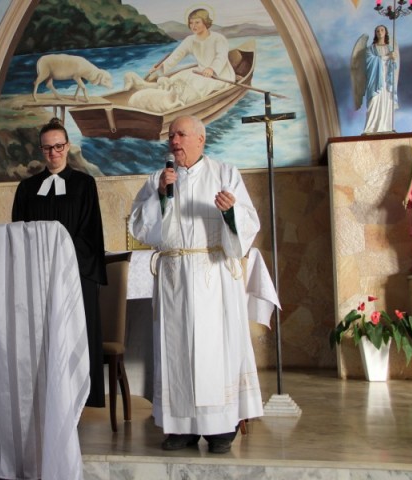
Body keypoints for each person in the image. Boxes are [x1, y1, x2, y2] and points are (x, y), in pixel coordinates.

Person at [128, 115, 264, 454]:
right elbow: (140, 227)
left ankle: (221, 429)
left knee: (213, 352)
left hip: (212, 275)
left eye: (181, 134)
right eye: (171, 135)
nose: (174, 141)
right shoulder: (158, 179)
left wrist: (230, 212)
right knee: (177, 351)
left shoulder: (225, 173)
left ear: (200, 140)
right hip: (174, 277)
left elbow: (248, 223)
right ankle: (182, 428)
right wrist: (161, 196)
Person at [11, 118, 108, 408]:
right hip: (38, 276)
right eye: (47, 148)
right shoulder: (27, 188)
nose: (53, 153)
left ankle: (80, 396)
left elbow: (91, 232)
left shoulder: (84, 184)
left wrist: (63, 259)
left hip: (75, 275)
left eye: (58, 146)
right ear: (41, 151)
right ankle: (43, 397)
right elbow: (19, 232)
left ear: (67, 147)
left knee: (75, 335)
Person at [146, 8, 235, 105]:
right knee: (175, 79)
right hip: (200, 70)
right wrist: (161, 67)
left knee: (196, 87)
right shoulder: (190, 40)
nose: (193, 26)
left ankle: (179, 104)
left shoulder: (218, 38)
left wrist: (211, 69)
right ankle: (165, 100)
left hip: (220, 74)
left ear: (205, 22)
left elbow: (221, 57)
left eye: (197, 22)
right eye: (191, 23)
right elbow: (176, 56)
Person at [351, 25, 399, 134]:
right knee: (374, 101)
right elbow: (370, 62)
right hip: (375, 79)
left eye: (382, 30)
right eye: (377, 31)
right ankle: (370, 128)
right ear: (375, 33)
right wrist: (388, 57)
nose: (380, 32)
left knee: (387, 102)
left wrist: (394, 58)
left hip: (387, 80)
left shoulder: (389, 48)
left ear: (385, 32)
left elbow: (393, 66)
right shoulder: (370, 49)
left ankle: (386, 127)